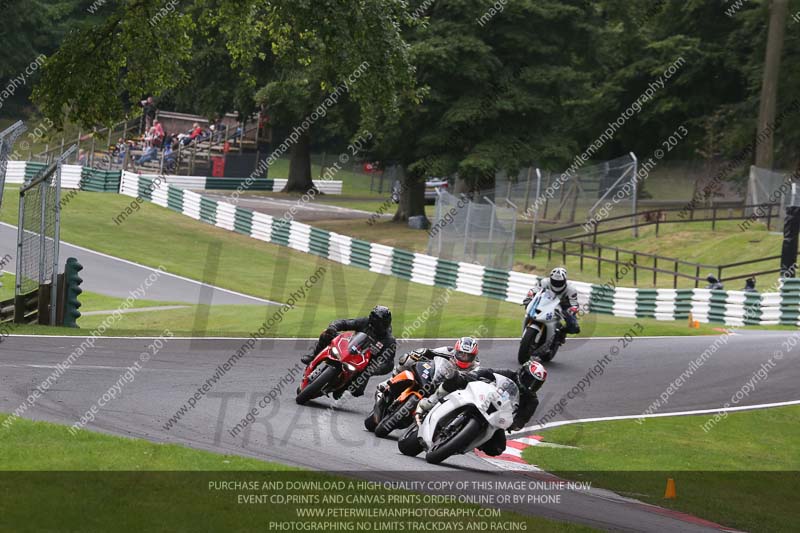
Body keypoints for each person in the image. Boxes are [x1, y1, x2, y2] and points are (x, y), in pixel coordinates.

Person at [417, 360, 547, 456]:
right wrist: (475, 375)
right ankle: (431, 401)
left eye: (536, 384)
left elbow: (522, 420)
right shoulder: (509, 374)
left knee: (497, 448)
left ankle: (467, 439)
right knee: (456, 379)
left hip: (497, 416)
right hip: (482, 398)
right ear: (522, 373)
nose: (531, 386)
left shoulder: (532, 401)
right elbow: (488, 372)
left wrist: (514, 425)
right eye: (530, 380)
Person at [301, 305, 397, 398]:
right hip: (350, 347)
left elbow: (389, 364)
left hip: (364, 364)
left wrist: (374, 369)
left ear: (386, 323)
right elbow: (345, 323)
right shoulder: (365, 322)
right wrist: (333, 327)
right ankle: (313, 356)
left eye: (380, 324)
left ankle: (342, 388)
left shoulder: (389, 341)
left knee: (357, 390)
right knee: (326, 334)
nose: (377, 326)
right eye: (375, 322)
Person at [375, 337, 481, 394]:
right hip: (435, 374)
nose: (464, 357)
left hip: (449, 389)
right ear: (456, 350)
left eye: (468, 356)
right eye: (461, 353)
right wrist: (419, 354)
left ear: (474, 356)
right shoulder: (448, 351)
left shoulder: (476, 366)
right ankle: (390, 381)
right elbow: (429, 351)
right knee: (408, 358)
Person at [524, 267, 580, 344]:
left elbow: (574, 303)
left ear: (565, 280)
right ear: (550, 279)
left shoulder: (571, 289)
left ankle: (562, 332)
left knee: (574, 327)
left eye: (559, 282)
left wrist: (572, 309)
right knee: (529, 310)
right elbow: (535, 290)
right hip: (546, 301)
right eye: (555, 281)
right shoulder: (544, 282)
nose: (557, 283)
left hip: (563, 305)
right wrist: (529, 297)